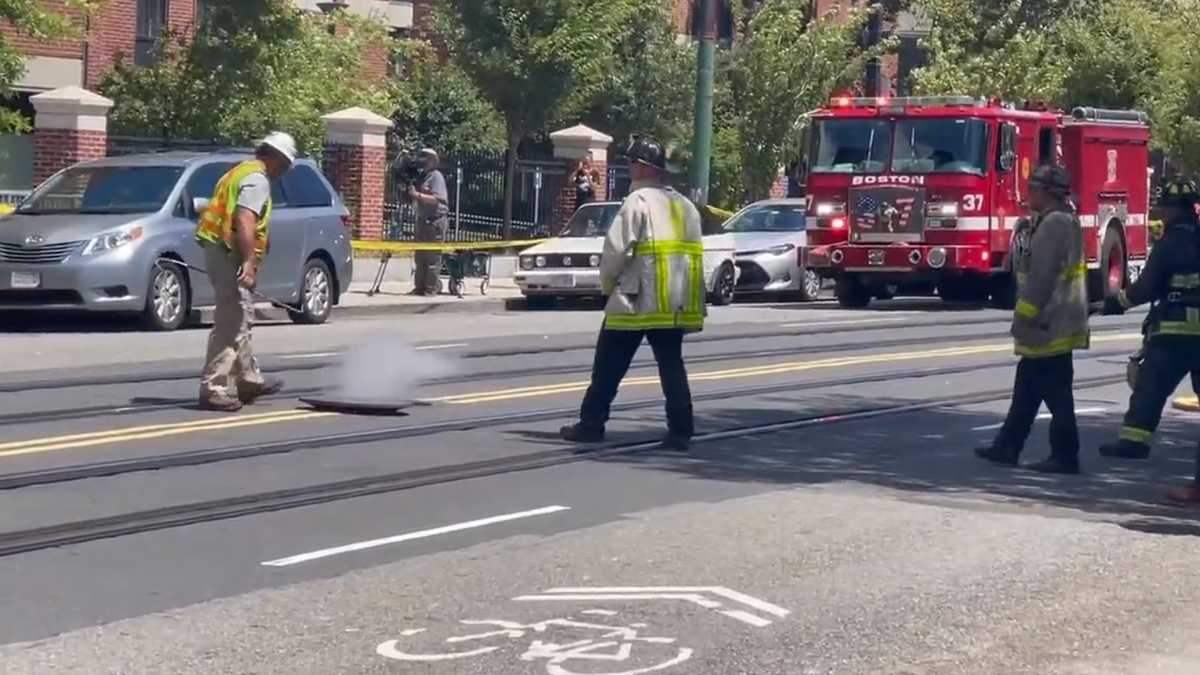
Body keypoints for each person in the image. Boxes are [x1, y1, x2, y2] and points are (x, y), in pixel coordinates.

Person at [559, 134, 706, 451]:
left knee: (608, 366)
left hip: (635, 300)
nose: (627, 166)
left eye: (630, 161)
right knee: (672, 367)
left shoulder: (637, 203)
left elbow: (616, 251)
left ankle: (591, 424)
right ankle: (682, 430)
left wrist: (607, 287)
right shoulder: (686, 206)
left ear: (642, 167)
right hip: (674, 304)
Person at [975, 165, 1090, 474]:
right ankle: (1006, 447)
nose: (1028, 194)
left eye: (1032, 189)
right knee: (1027, 389)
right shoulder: (1062, 221)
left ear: (1045, 192)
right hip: (1056, 321)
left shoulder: (1053, 226)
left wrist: (1024, 319)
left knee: (1056, 395)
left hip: (1047, 323)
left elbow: (1041, 278)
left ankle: (1065, 456)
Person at [1098, 176, 1200, 503]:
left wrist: (1117, 303)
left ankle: (1134, 442)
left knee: (1150, 388)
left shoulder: (1170, 244)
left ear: (1171, 211)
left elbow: (1147, 287)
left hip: (1174, 333)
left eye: (1164, 209)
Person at [195, 132, 296, 412]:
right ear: (274, 157)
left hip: (221, 250)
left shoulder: (239, 171)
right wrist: (249, 261)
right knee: (230, 320)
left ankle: (249, 380)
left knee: (241, 316)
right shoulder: (258, 179)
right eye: (285, 165)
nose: (283, 172)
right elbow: (244, 217)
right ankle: (213, 388)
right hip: (230, 254)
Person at [408, 148, 449, 296]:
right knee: (420, 257)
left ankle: (430, 288)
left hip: (435, 222)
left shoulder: (436, 177)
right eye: (423, 157)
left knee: (432, 258)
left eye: (427, 158)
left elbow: (436, 199)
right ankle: (419, 287)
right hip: (422, 221)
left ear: (433, 161)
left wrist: (417, 195)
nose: (424, 160)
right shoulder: (422, 177)